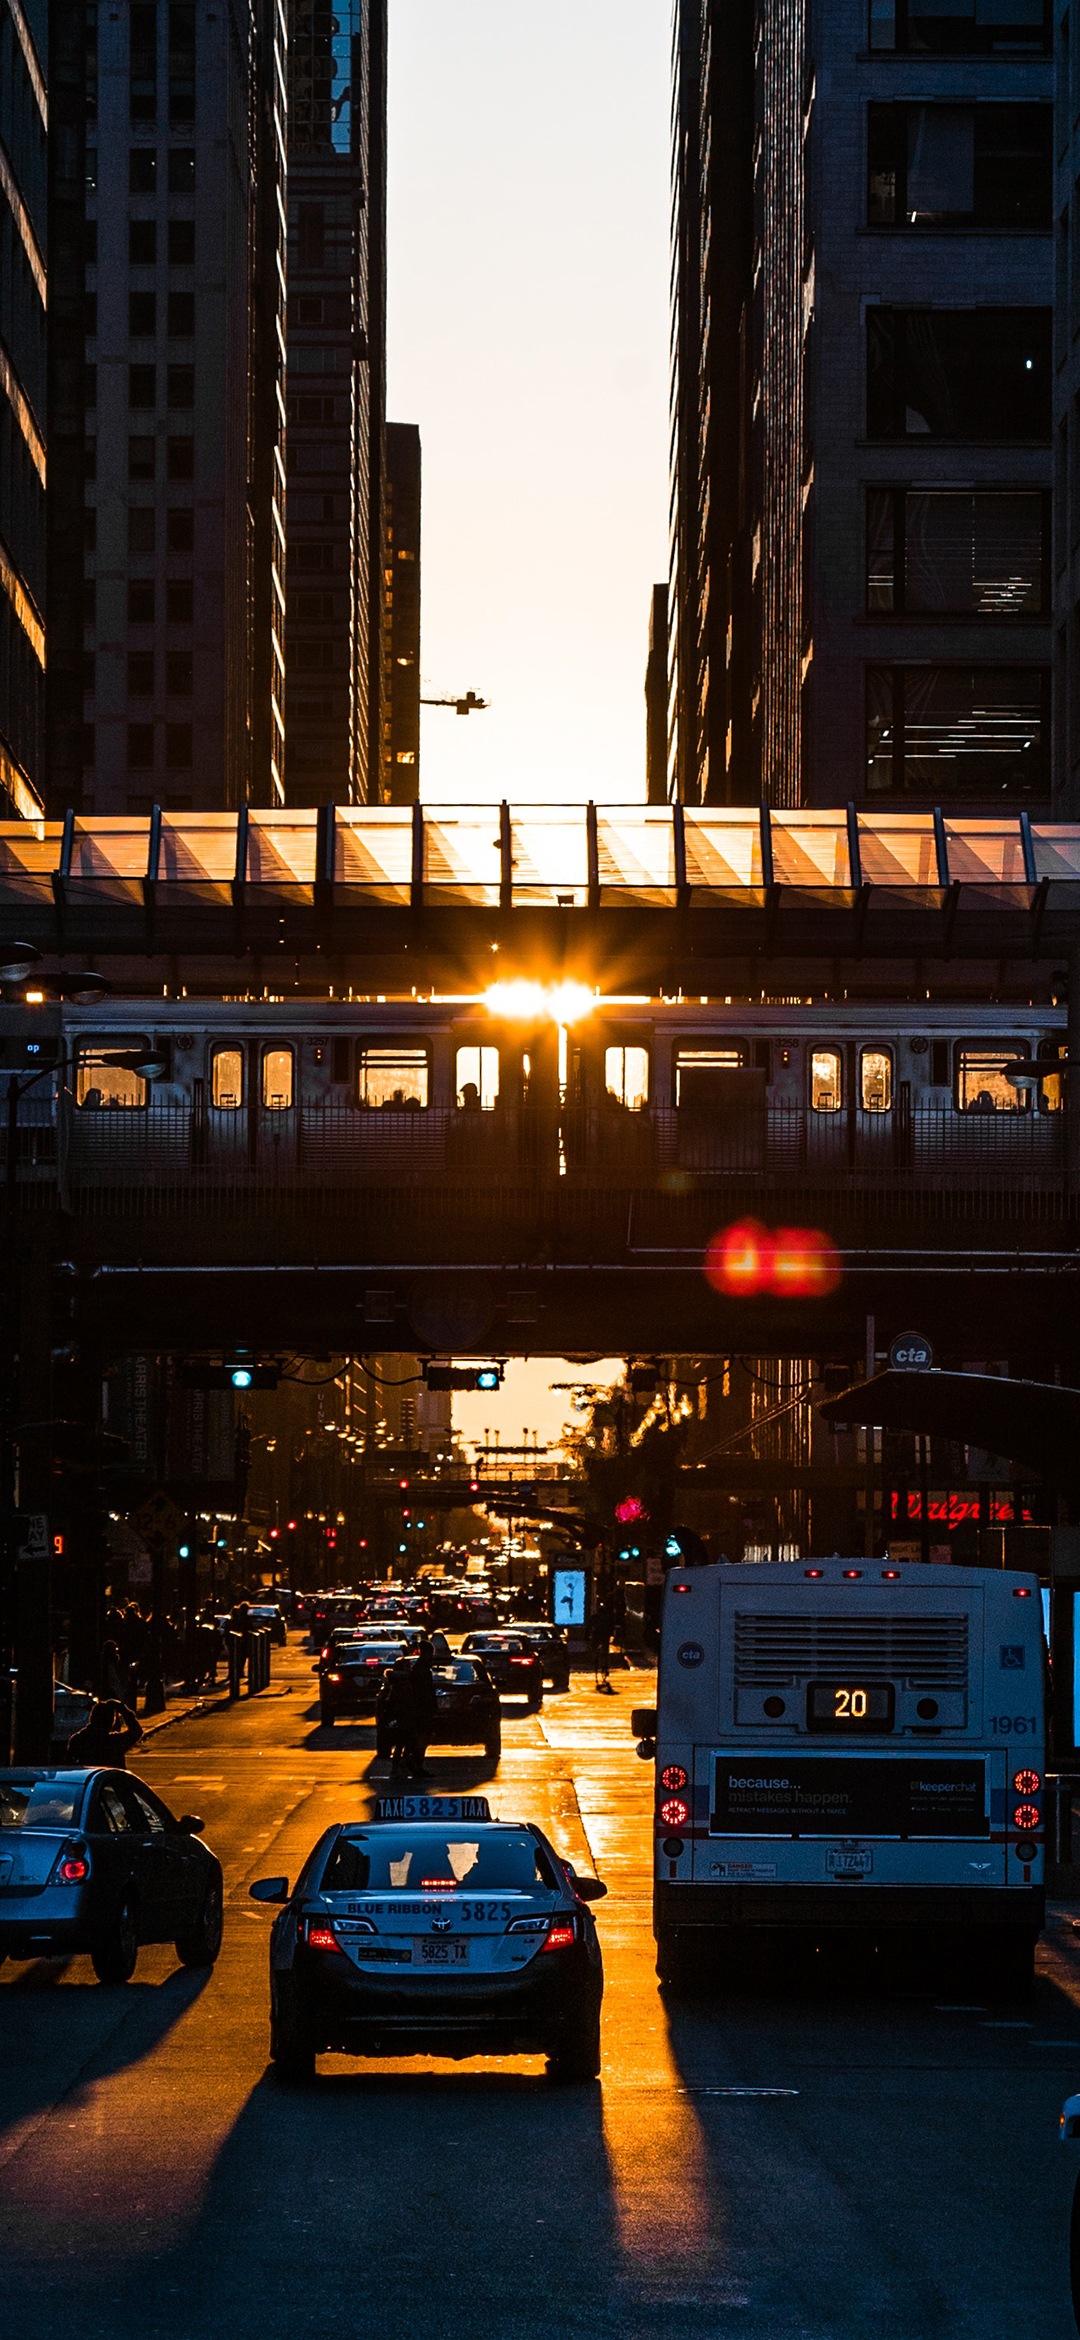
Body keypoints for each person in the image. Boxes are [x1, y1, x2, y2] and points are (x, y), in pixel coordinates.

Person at [66, 1696, 143, 1768]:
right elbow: (136, 1731)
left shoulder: (77, 1740)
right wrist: (123, 1710)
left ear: (91, 1718)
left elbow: (68, 1766)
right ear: (110, 1721)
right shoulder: (115, 1742)